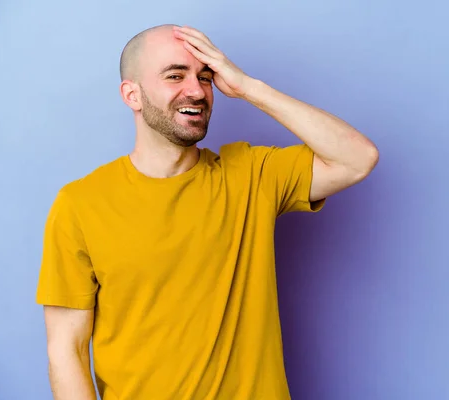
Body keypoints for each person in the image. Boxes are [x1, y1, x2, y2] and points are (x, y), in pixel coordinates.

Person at [35, 24, 379, 400]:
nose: (197, 91)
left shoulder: (251, 174)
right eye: (175, 75)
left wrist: (250, 88)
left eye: (205, 77)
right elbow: (66, 350)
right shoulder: (80, 204)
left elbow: (357, 158)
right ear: (132, 94)